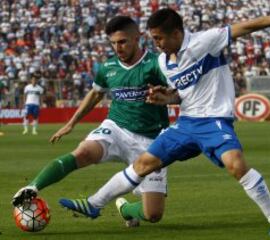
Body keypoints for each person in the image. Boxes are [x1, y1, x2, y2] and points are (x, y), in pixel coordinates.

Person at [60, 8, 270, 235]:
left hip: (214, 121)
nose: (156, 44)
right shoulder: (164, 61)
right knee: (144, 163)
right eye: (154, 38)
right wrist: (165, 97)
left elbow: (246, 26)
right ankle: (94, 205)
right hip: (187, 123)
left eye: (159, 38)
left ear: (176, 34)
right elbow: (181, 95)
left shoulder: (206, 41)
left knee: (236, 165)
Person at [12, 16, 174, 227]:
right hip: (116, 128)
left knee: (153, 214)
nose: (118, 48)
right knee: (84, 152)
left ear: (138, 38)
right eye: (113, 43)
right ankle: (32, 188)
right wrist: (71, 123)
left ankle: (125, 208)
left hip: (151, 139)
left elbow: (177, 90)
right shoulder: (108, 67)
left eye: (123, 41)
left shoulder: (156, 64)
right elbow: (96, 94)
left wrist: (168, 96)